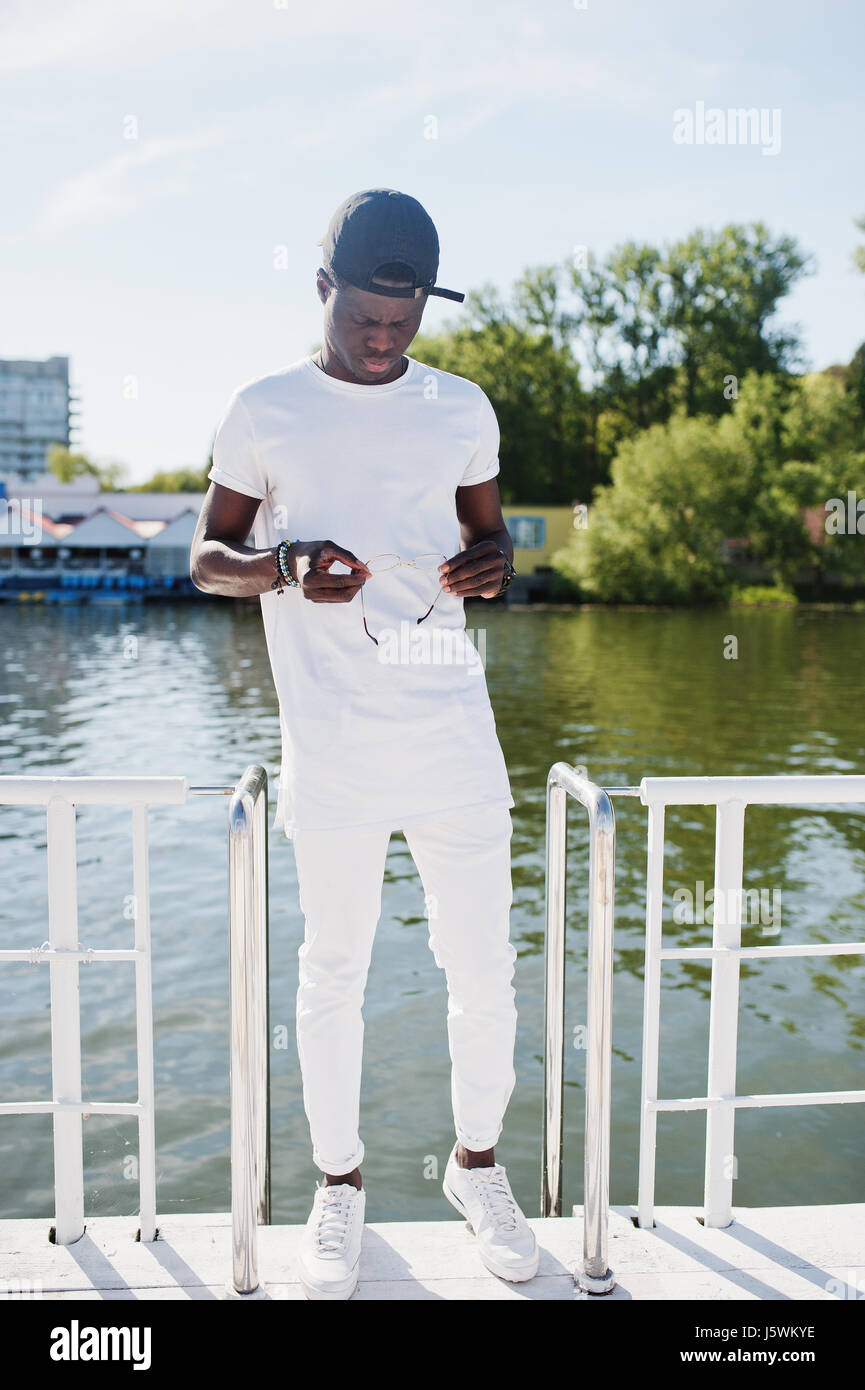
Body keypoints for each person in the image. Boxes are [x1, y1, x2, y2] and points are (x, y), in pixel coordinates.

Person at [190, 188, 538, 1299]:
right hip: (331, 745)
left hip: (453, 735)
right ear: (324, 290)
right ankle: (338, 1187)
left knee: (483, 967)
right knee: (331, 972)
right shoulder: (263, 409)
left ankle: (476, 1166)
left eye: (404, 322)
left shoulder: (461, 408)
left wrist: (495, 568)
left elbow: (489, 542)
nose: (384, 340)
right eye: (365, 319)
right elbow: (205, 559)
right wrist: (283, 568)